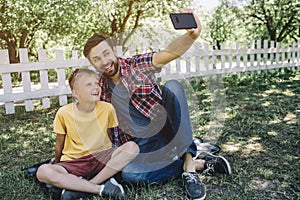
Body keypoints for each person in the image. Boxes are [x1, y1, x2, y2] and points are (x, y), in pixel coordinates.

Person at [83, 10, 231, 200]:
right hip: (144, 146)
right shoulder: (100, 88)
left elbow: (168, 53)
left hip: (168, 130)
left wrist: (191, 36)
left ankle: (188, 164)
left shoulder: (136, 64)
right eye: (96, 59)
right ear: (92, 63)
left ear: (114, 50)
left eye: (106, 54)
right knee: (130, 175)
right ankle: (201, 164)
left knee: (173, 86)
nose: (104, 62)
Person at [36, 68, 139, 200]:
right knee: (43, 171)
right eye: (88, 84)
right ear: (76, 93)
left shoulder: (107, 108)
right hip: (74, 161)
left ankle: (85, 185)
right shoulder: (64, 113)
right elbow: (59, 144)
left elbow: (111, 135)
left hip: (102, 157)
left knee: (132, 147)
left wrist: (114, 154)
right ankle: (100, 188)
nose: (96, 87)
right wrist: (57, 164)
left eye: (96, 83)